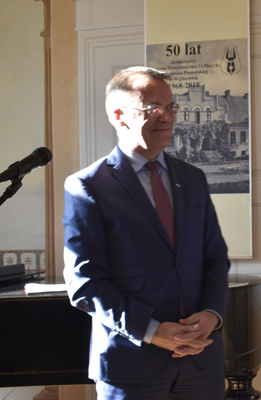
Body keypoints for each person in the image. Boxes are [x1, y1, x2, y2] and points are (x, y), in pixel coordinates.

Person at [63, 66, 230, 399]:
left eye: (170, 107)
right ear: (119, 116)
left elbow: (215, 257)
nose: (166, 116)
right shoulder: (87, 185)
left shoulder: (193, 178)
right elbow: (85, 282)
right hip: (130, 365)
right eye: (153, 107)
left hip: (201, 362)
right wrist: (151, 331)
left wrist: (212, 315)